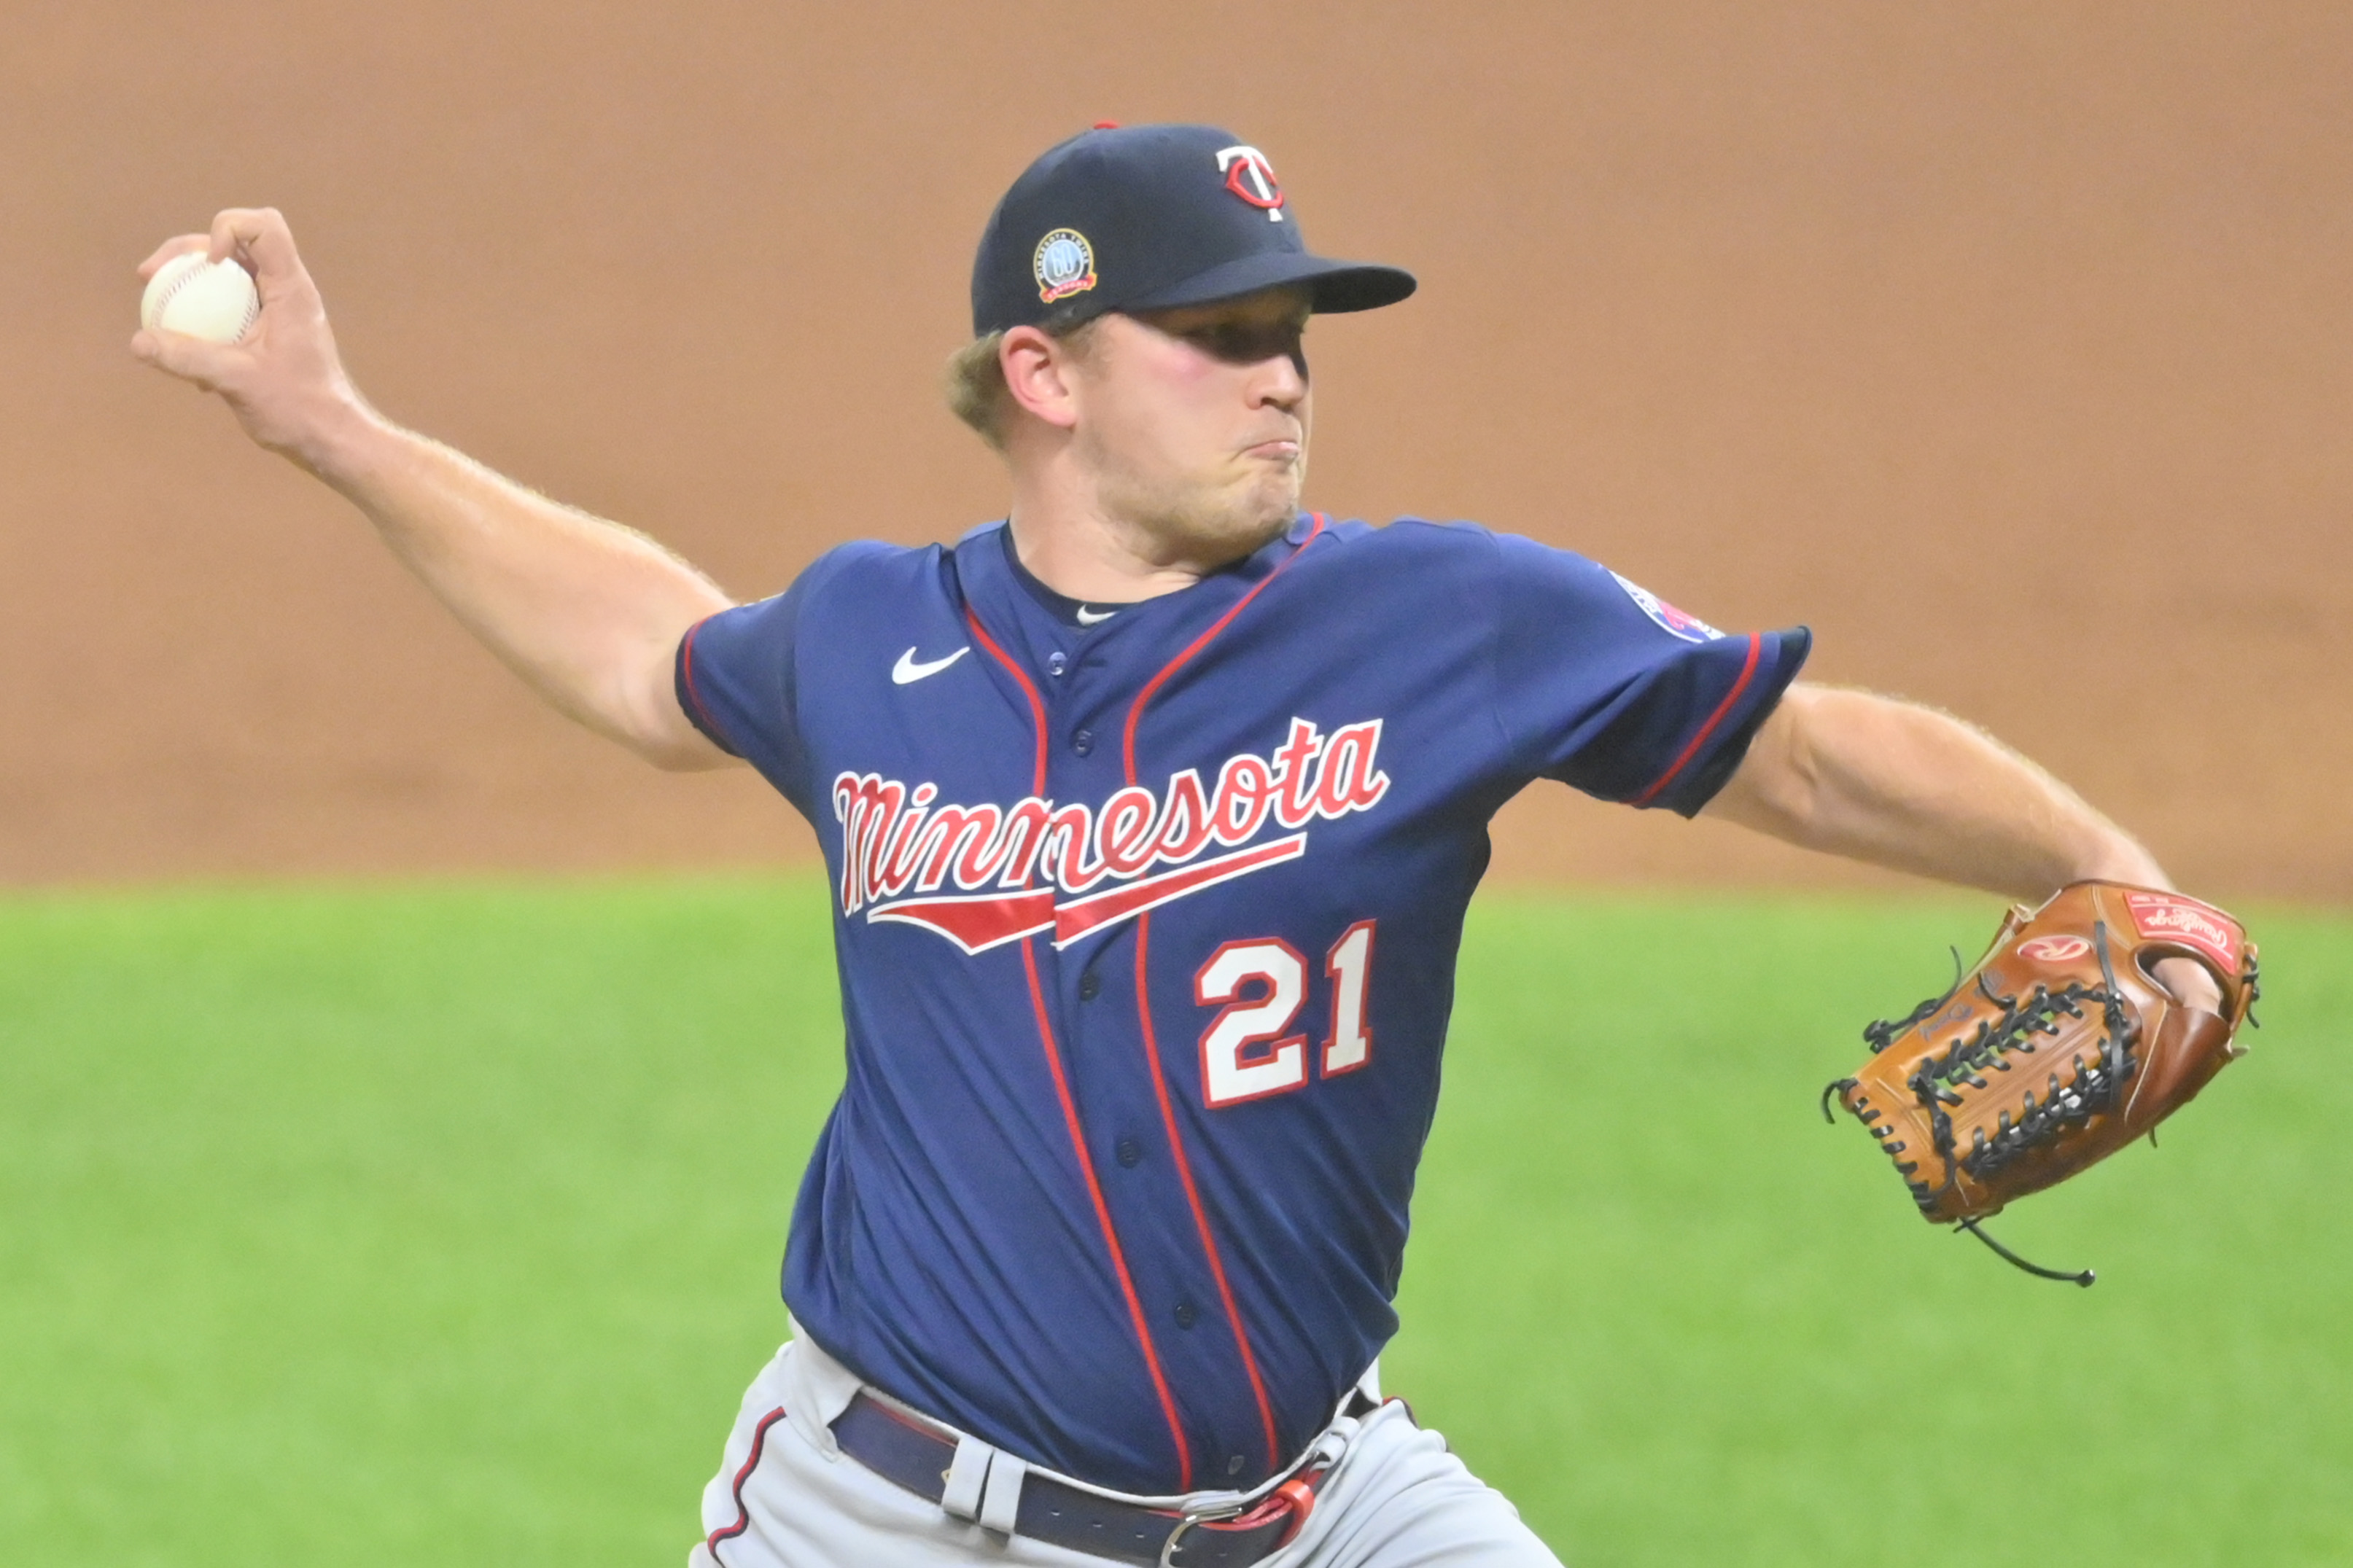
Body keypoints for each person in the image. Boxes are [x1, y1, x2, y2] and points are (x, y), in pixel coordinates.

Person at [133, 122, 2217, 1568]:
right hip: (885, 1517)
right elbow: (642, 650)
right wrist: (331, 427)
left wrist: (2120, 874)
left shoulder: (1439, 619)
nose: (1280, 374)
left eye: (1292, 331)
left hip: (1315, 1504)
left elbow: (1803, 757)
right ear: (1039, 372)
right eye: (1217, 334)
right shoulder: (866, 643)